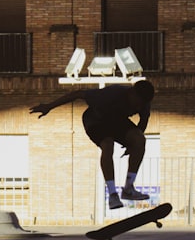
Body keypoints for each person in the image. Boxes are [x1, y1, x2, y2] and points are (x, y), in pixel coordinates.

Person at [30, 79, 155, 209]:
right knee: (108, 144)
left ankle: (129, 188)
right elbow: (77, 94)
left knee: (140, 139)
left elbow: (142, 123)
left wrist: (134, 145)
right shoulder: (111, 94)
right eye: (137, 104)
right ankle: (113, 195)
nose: (138, 108)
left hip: (117, 121)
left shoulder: (144, 103)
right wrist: (49, 106)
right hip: (95, 119)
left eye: (141, 105)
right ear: (132, 93)